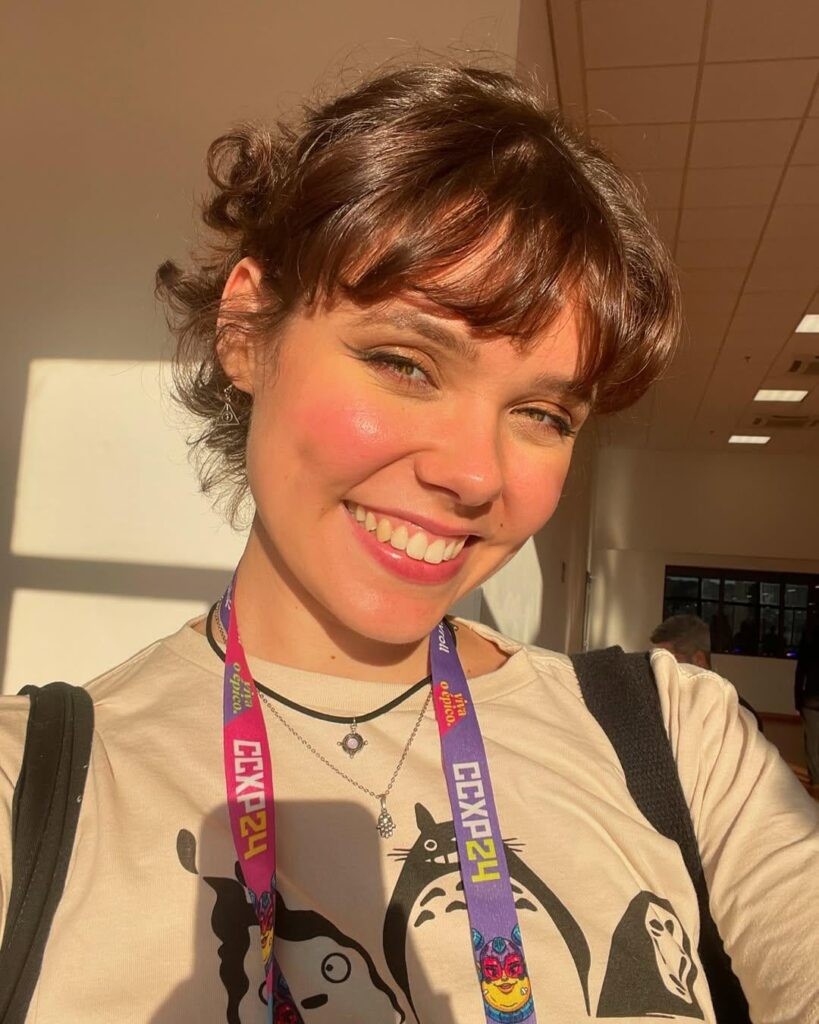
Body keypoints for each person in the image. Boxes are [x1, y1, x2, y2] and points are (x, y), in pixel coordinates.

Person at [1, 63, 817, 1024]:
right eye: (404, 362)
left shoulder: (677, 739)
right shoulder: (33, 788)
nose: (475, 475)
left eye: (542, 413)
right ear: (248, 326)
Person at [650, 614, 764, 731]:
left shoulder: (740, 719)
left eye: (669, 662)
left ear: (699, 660)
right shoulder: (658, 707)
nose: (659, 671)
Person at [795, 613, 819, 785]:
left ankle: (816, 778)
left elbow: (800, 671)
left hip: (810, 697)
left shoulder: (809, 636)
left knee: (812, 743)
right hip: (811, 697)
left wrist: (797, 698)